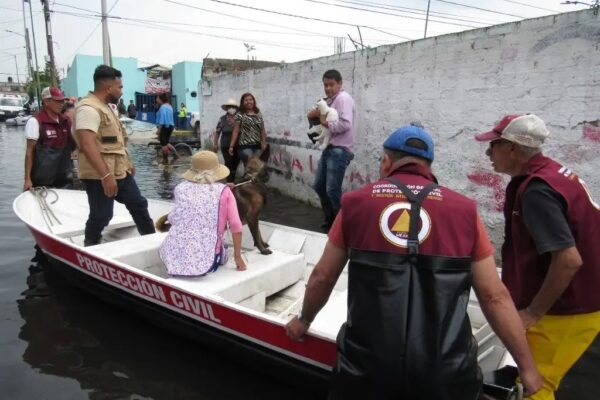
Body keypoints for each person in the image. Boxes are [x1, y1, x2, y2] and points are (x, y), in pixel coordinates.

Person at [286, 124, 542, 399]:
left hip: (367, 369)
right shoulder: (465, 210)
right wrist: (527, 367)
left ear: (386, 161)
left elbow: (323, 276)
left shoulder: (354, 203)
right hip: (446, 372)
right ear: (429, 166)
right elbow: (494, 297)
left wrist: (304, 320)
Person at [475, 114, 600, 400]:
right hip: (579, 300)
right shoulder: (554, 174)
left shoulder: (537, 191)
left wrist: (533, 312)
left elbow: (569, 259)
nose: (487, 153)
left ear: (513, 149)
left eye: (493, 145)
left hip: (567, 309)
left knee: (535, 386)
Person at [74, 64, 156, 247]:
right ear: (108, 87)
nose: (121, 91)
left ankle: (152, 241)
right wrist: (105, 176)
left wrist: (128, 163)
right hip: (99, 175)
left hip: (120, 171)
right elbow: (87, 144)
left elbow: (115, 142)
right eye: (119, 87)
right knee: (102, 215)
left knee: (139, 205)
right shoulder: (88, 109)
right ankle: (91, 246)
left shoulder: (107, 107)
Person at [159, 151, 247, 276]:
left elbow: (175, 218)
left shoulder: (180, 188)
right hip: (208, 260)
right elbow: (236, 226)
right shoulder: (225, 191)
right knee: (223, 249)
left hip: (174, 254)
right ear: (217, 171)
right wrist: (238, 257)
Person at [306, 69, 355, 231]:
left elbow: (346, 124)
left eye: (331, 84)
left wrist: (325, 123)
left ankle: (341, 225)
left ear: (340, 84)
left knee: (332, 189)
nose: (328, 88)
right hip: (329, 149)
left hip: (340, 150)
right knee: (319, 186)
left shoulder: (343, 99)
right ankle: (331, 220)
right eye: (325, 85)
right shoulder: (330, 100)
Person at [23, 86, 75, 191]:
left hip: (64, 179)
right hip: (42, 181)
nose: (61, 104)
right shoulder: (35, 121)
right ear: (46, 102)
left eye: (62, 101)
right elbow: (29, 152)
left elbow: (73, 145)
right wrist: (27, 179)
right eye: (58, 101)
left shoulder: (66, 121)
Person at [228, 92, 267, 165]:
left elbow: (262, 129)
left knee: (256, 168)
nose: (249, 102)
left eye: (250, 99)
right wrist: (231, 146)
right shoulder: (240, 114)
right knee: (250, 166)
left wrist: (264, 142)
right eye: (246, 100)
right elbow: (236, 131)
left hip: (257, 146)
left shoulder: (258, 113)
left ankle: (247, 176)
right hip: (245, 146)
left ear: (253, 101)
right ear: (242, 102)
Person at [213, 98, 240, 183]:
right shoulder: (222, 119)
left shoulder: (240, 118)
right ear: (227, 108)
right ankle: (229, 181)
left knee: (235, 163)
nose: (231, 108)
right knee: (228, 163)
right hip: (225, 145)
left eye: (233, 106)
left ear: (236, 108)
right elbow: (217, 132)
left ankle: (233, 180)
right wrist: (215, 144)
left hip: (238, 145)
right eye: (229, 106)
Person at [155, 93, 178, 164]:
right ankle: (176, 155)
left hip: (164, 126)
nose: (156, 99)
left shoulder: (163, 107)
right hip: (170, 126)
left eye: (157, 98)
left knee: (163, 144)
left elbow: (162, 120)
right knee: (166, 142)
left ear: (161, 99)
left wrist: (159, 130)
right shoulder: (169, 106)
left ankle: (165, 160)